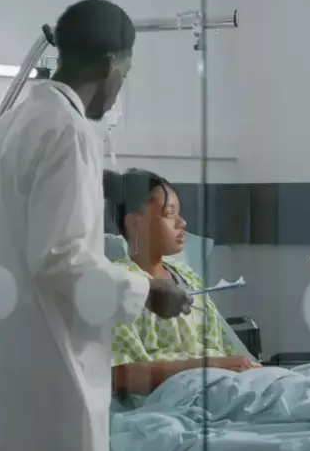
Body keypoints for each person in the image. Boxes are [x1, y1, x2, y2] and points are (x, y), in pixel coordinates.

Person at [0, 0, 193, 451]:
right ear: (111, 63)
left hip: (6, 381)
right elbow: (61, 258)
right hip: (55, 381)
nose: (118, 88)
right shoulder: (69, 132)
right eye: (125, 74)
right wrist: (148, 288)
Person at [103, 169, 261, 395]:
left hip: (226, 384)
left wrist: (251, 370)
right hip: (179, 396)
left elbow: (225, 348)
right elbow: (119, 374)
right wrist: (209, 365)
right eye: (169, 214)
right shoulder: (122, 285)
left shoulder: (186, 276)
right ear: (135, 223)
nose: (182, 222)